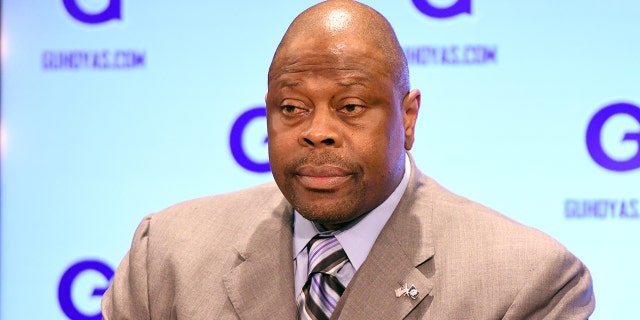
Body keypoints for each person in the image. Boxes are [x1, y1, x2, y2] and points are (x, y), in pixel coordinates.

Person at [101, 0, 595, 319]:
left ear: (408, 118)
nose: (317, 133)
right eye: (292, 108)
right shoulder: (165, 256)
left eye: (351, 107)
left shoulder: (528, 282)